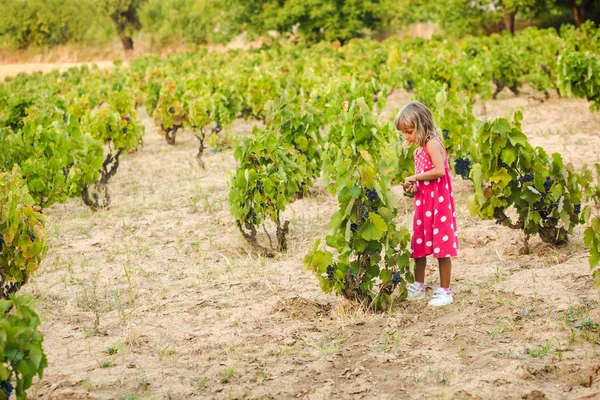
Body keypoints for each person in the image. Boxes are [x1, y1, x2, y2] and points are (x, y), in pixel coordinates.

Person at [395, 101, 459, 306]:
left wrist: (415, 176)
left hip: (439, 204)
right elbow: (424, 180)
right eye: (403, 132)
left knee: (441, 247)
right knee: (419, 245)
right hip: (424, 204)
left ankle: (445, 291)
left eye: (409, 131)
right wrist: (413, 186)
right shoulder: (418, 151)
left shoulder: (433, 143)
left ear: (422, 125)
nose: (406, 136)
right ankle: (419, 285)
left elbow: (439, 170)